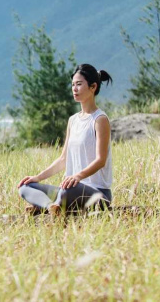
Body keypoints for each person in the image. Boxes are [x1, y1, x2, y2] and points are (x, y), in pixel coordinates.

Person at [17, 63, 113, 218]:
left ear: (93, 87)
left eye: (79, 84)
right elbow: (63, 159)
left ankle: (55, 204)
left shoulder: (100, 119)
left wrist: (78, 176)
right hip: (69, 188)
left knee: (68, 189)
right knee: (25, 187)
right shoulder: (73, 120)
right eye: (73, 85)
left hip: (97, 194)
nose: (74, 89)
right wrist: (38, 177)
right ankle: (52, 207)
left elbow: (101, 160)